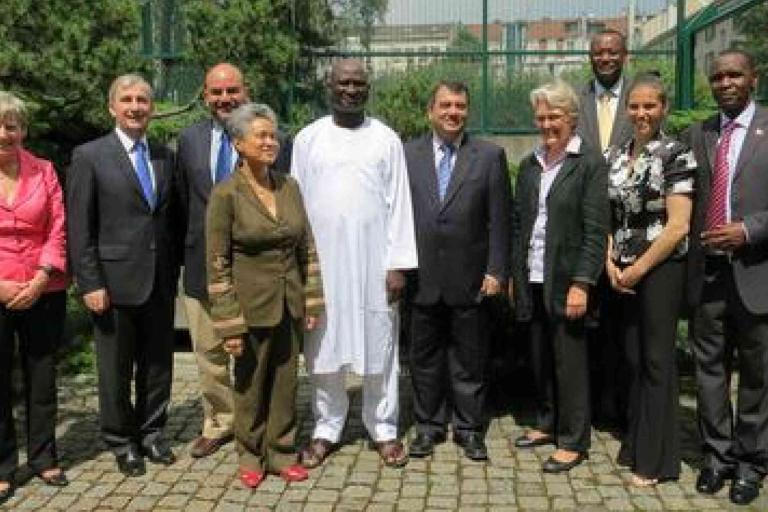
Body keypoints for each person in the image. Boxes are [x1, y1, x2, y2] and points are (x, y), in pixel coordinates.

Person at [291, 58, 418, 468]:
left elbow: (400, 204)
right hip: (322, 265)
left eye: (358, 83)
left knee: (379, 344)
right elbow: (295, 205)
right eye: (343, 82)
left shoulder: (386, 139)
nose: (350, 89)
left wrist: (398, 264)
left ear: (368, 88)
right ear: (329, 86)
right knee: (323, 347)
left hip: (373, 262)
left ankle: (382, 427)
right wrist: (299, 266)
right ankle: (326, 427)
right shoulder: (308, 139)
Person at [176, 63, 293, 459]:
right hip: (204, 264)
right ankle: (220, 422)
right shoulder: (189, 140)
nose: (224, 99)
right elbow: (181, 202)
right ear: (205, 96)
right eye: (216, 92)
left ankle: (259, 421)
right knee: (210, 352)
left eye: (232, 91)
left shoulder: (273, 139)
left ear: (246, 90)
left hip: (260, 271)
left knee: (257, 352)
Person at [67, 74, 180, 477]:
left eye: (143, 100)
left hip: (160, 281)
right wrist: (90, 282)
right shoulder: (90, 156)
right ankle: (121, 441)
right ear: (111, 107)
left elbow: (173, 220)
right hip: (112, 285)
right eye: (127, 99)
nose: (135, 107)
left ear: (152, 107)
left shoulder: (166, 155)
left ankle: (152, 434)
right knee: (115, 369)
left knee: (157, 365)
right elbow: (80, 227)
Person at [206, 103, 322, 488]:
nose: (270, 142)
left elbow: (307, 246)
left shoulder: (290, 186)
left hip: (288, 303)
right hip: (248, 307)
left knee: (286, 383)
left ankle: (281, 452)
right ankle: (250, 454)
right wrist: (229, 324)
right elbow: (217, 262)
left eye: (273, 135)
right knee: (250, 386)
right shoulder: (226, 194)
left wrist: (312, 298)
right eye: (261, 136)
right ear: (239, 143)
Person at [404, 81, 511, 461]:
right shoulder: (407, 155)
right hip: (422, 278)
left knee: (470, 358)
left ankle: (468, 428)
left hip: (472, 278)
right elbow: (395, 217)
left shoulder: (488, 156)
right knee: (424, 359)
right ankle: (428, 427)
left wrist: (498, 270)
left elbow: (500, 220)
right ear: (430, 111)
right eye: (446, 105)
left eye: (460, 106)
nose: (454, 112)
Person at [683, 49, 768, 506]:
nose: (726, 83)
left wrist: (748, 230)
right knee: (709, 371)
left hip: (758, 274)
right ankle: (717, 457)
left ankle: (752, 463)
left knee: (757, 375)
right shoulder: (698, 133)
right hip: (708, 275)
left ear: (752, 78)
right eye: (717, 77)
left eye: (735, 74)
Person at [511, 80, 608, 473]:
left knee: (569, 361)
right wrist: (516, 275)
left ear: (572, 118)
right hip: (534, 276)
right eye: (541, 116)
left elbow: (595, 229)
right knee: (540, 357)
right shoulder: (530, 164)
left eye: (555, 116)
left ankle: (573, 439)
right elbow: (520, 223)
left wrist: (582, 283)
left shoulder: (588, 163)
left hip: (568, 279)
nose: (547, 123)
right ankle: (548, 423)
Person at [603, 74, 695, 486]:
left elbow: (678, 226)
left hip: (660, 270)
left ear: (664, 109)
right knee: (633, 358)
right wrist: (610, 261)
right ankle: (638, 442)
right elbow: (610, 215)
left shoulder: (677, 154)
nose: (641, 114)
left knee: (657, 361)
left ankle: (657, 461)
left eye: (650, 106)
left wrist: (638, 269)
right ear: (627, 110)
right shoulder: (616, 154)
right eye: (635, 107)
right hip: (622, 270)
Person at [0, 91, 68, 504]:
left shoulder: (43, 171)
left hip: (44, 290)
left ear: (23, 129)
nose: (4, 133)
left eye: (12, 125)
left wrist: (42, 277)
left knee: (42, 377)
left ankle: (44, 457)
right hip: (0, 290)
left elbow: (58, 227)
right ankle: (3, 465)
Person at [576, 28, 634, 432]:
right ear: (590, 57)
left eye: (613, 52)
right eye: (599, 53)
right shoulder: (575, 100)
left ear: (624, 54)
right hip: (586, 222)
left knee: (626, 325)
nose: (606, 58)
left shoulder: (641, 96)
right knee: (590, 324)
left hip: (632, 224)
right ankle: (596, 406)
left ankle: (625, 409)